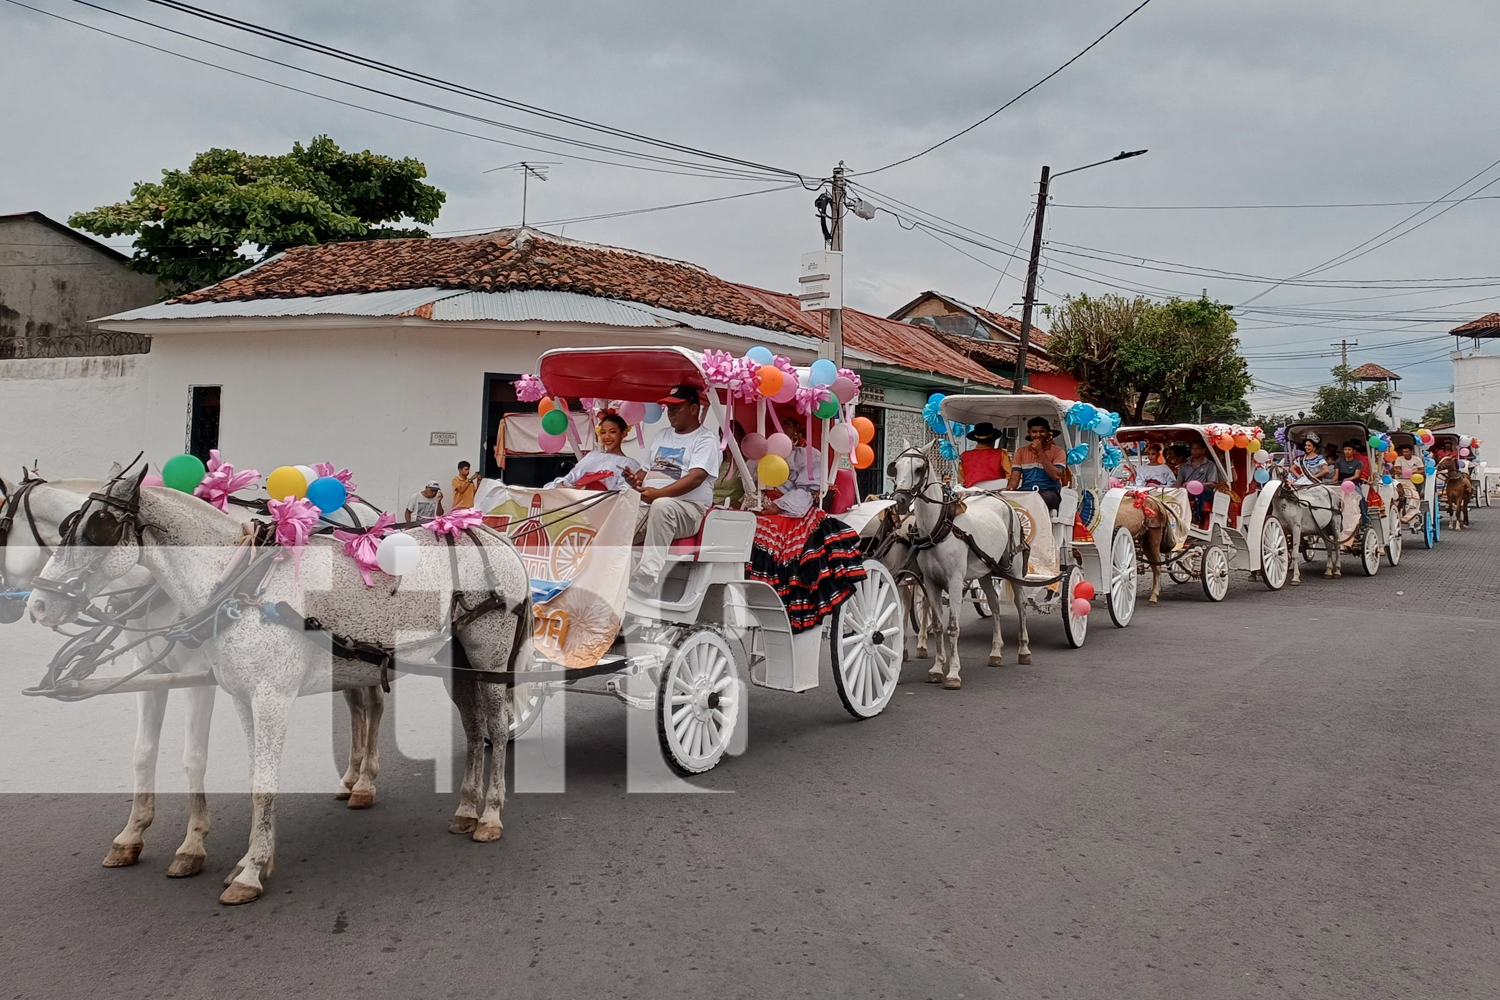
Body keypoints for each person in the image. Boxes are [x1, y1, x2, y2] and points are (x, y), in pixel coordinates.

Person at [624, 385, 721, 595]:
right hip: (651, 504)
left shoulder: (706, 439)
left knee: (662, 506)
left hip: (688, 510)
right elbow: (645, 471)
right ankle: (612, 572)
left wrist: (657, 494)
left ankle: (648, 578)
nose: (671, 413)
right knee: (620, 514)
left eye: (677, 408)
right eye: (669, 408)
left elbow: (696, 478)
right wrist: (634, 481)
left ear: (694, 409)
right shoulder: (661, 435)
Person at [546, 412, 642, 491]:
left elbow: (624, 493)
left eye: (612, 432)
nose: (607, 437)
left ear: (623, 433)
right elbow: (571, 477)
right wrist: (561, 485)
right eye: (603, 432)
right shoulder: (592, 456)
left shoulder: (629, 464)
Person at [1008, 416, 1071, 511]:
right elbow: (1014, 477)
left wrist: (1040, 452)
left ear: (1048, 433)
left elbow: (1056, 476)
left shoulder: (1058, 451)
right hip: (1026, 491)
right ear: (1029, 433)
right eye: (1034, 432)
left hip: (1050, 492)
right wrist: (1010, 488)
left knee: (1037, 500)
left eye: (1041, 431)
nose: (1038, 435)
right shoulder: (1020, 451)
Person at [764, 420, 821, 518]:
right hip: (764, 507)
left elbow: (807, 490)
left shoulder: (808, 455)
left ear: (796, 428)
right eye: (777, 424)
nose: (780, 428)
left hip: (793, 509)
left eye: (786, 424)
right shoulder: (764, 454)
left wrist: (780, 506)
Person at [1333, 440, 1369, 543]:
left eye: (1349, 449)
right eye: (1345, 449)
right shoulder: (1339, 461)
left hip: (1353, 484)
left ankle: (1365, 518)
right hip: (1340, 483)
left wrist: (1348, 480)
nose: (1347, 451)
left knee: (1361, 497)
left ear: (1353, 451)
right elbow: (1336, 476)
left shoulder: (1358, 463)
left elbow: (1357, 475)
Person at [1177, 438, 1220, 525]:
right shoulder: (1184, 466)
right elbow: (1178, 482)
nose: (1194, 451)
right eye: (1193, 449)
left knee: (1199, 489)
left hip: (1205, 492)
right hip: (1187, 491)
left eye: (1197, 449)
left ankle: (1196, 518)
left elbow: (1212, 483)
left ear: (1203, 450)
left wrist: (1194, 485)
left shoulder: (1210, 465)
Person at [958, 422, 1011, 489]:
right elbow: (1011, 475)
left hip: (971, 493)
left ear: (976, 440)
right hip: (997, 492)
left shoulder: (964, 456)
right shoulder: (1001, 454)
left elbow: (962, 480)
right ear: (993, 440)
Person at [1391, 443, 1422, 524]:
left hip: (1412, 480)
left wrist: (1412, 473)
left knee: (1413, 496)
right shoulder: (1399, 459)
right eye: (1404, 452)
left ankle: (1409, 514)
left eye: (1407, 452)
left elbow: (1422, 470)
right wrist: (1402, 472)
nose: (1405, 453)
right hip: (1400, 479)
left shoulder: (1417, 459)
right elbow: (1397, 469)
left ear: (1411, 452)